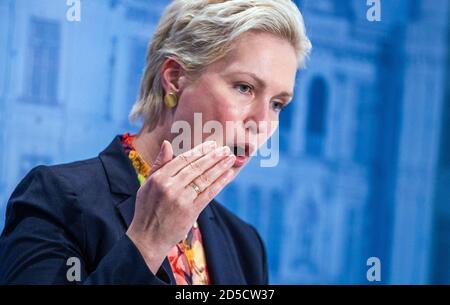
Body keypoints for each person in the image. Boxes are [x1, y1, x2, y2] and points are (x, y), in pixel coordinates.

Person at [0, 0, 311, 284]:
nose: (262, 124)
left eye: (277, 104)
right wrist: (146, 244)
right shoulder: (56, 198)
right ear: (175, 78)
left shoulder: (245, 244)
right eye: (244, 87)